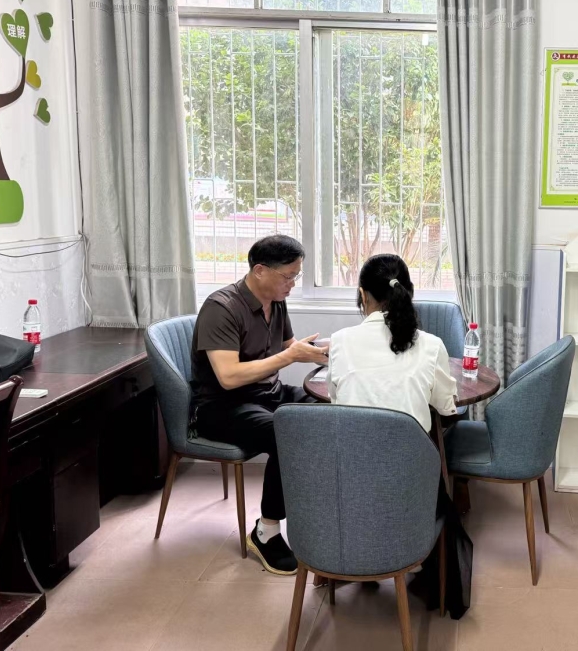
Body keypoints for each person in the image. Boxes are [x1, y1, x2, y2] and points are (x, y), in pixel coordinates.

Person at [191, 235, 327, 576]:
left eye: (296, 276)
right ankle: (266, 531)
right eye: (288, 277)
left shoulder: (275, 301)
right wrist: (290, 356)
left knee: (329, 414)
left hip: (269, 394)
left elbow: (289, 346)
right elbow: (228, 377)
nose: (293, 284)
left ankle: (319, 515)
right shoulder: (221, 308)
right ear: (260, 271)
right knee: (288, 432)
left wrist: (326, 352)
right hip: (223, 406)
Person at [329, 254, 458, 431]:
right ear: (409, 292)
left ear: (363, 296)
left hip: (351, 447)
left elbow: (336, 400)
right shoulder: (432, 345)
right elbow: (446, 409)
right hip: (410, 448)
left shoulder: (338, 341)